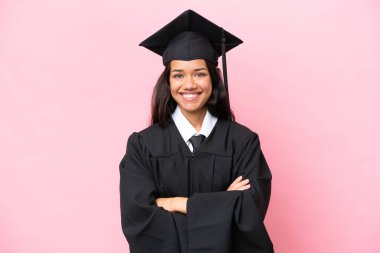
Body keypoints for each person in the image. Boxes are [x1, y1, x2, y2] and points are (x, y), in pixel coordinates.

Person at [119, 9, 274, 253]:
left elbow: (250, 212)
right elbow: (140, 220)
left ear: (213, 78)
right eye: (178, 75)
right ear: (168, 82)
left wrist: (175, 203)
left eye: (199, 74)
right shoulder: (143, 146)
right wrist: (223, 204)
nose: (189, 85)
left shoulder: (242, 142)